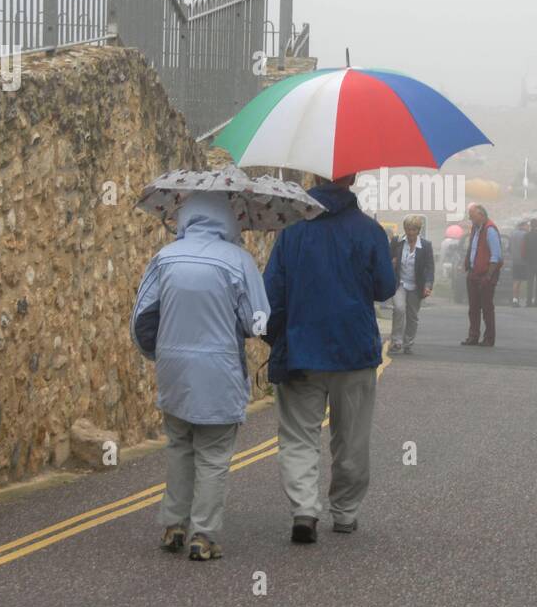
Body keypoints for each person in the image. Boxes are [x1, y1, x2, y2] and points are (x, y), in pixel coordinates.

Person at [131, 191, 270, 561]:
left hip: (173, 369)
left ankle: (173, 524)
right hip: (219, 371)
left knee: (179, 447)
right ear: (228, 220)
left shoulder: (164, 258)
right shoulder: (239, 260)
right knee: (212, 454)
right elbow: (257, 321)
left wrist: (155, 353)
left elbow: (142, 316)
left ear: (186, 217)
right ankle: (203, 535)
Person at [263, 175, 398, 543]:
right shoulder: (370, 231)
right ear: (353, 178)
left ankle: (304, 510)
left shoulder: (292, 230)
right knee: (351, 438)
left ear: (314, 177)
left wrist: (272, 337)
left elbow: (272, 292)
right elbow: (385, 287)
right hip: (354, 350)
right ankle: (345, 511)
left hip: (301, 350)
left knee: (298, 436)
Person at [388, 215, 434, 355]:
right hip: (399, 283)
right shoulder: (397, 242)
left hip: (416, 285)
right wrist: (391, 263)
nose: (410, 232)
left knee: (412, 315)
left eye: (413, 229)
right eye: (407, 229)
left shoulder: (426, 246)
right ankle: (396, 341)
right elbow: (387, 258)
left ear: (418, 230)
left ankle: (408, 343)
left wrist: (428, 285)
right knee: (399, 309)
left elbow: (429, 267)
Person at [461, 202, 502, 347]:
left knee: (487, 308)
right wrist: (467, 264)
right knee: (473, 308)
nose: (470, 219)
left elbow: (496, 256)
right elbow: (472, 248)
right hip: (473, 273)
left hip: (485, 274)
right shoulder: (476, 228)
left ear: (481, 215)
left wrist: (489, 276)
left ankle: (489, 338)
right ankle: (473, 336)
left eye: (472, 216)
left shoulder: (490, 229)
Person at [509, 219, 530, 307]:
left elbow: (509, 248)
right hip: (524, 261)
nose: (528, 227)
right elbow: (528, 248)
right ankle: (527, 300)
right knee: (525, 281)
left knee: (516, 281)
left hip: (514, 261)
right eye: (527, 225)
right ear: (523, 225)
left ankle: (515, 300)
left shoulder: (512, 234)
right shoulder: (526, 235)